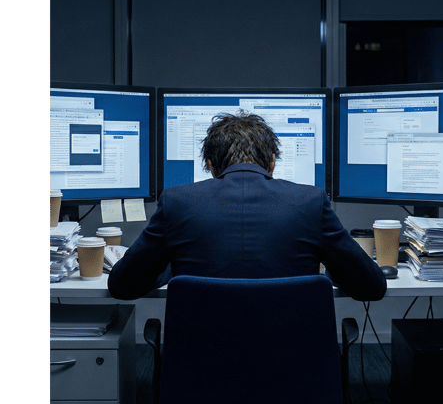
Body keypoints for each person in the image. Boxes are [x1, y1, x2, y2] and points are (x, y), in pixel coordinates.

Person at [108, 111, 386, 302]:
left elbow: (122, 285)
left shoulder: (176, 202)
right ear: (272, 162)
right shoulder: (311, 202)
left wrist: (173, 268)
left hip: (199, 371)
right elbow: (371, 287)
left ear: (211, 166)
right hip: (294, 372)